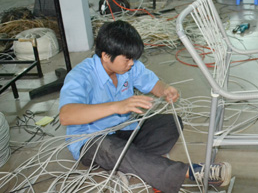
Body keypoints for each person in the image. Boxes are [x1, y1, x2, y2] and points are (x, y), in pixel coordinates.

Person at [59, 21, 232, 193]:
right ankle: (193, 172)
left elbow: (154, 84)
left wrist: (165, 90)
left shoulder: (128, 67)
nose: (132, 63)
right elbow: (66, 115)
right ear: (105, 56)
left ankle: (134, 160)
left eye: (133, 58)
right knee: (109, 148)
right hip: (93, 140)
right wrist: (115, 107)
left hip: (124, 130)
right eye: (127, 58)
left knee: (171, 123)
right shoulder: (80, 76)